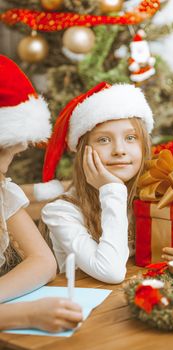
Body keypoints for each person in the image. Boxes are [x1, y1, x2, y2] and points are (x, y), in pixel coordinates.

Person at [34, 82, 153, 284]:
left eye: (131, 137)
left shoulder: (153, 193)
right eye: (104, 140)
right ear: (83, 152)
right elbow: (111, 271)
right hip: (90, 310)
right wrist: (112, 189)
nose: (119, 150)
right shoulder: (61, 212)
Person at [0, 55, 82, 332]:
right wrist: (22, 315)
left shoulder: (2, 192)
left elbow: (43, 262)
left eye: (9, 159)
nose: (3, 175)